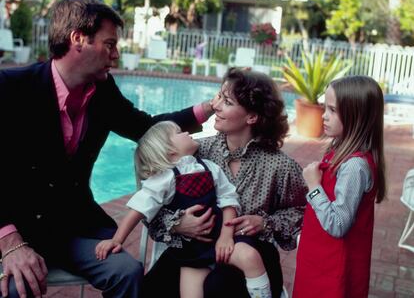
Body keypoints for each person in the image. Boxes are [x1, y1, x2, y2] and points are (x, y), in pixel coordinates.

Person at [0, 0, 212, 298]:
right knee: (12, 288)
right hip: (15, 229)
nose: (115, 55)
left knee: (127, 273)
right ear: (78, 39)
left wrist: (209, 107)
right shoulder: (10, 88)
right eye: (109, 44)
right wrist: (10, 242)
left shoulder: (101, 90)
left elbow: (145, 127)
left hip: (73, 228)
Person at [142, 68, 308, 298]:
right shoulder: (197, 152)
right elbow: (152, 207)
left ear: (251, 117)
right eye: (220, 97)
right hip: (199, 248)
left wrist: (265, 222)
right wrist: (178, 224)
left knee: (218, 287)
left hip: (252, 252)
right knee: (151, 288)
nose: (216, 106)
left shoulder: (281, 166)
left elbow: (303, 212)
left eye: (227, 101)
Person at [96, 120, 273, 298]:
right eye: (179, 132)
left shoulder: (210, 167)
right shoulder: (164, 178)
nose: (186, 132)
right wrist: (117, 240)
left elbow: (229, 200)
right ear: (170, 150)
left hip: (221, 241)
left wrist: (226, 237)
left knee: (250, 257)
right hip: (193, 254)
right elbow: (139, 208)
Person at [292, 75, 386, 298]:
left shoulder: (355, 166)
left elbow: (338, 224)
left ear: (357, 116)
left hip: (333, 270)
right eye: (325, 107)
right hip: (319, 260)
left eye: (332, 110)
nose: (324, 115)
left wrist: (314, 186)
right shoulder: (339, 148)